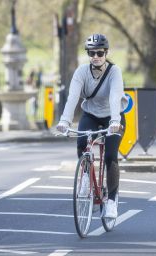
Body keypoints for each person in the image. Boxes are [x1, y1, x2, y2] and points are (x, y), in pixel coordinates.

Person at [56, 34, 128, 218]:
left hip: (114, 118)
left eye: (99, 52)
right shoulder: (81, 72)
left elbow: (114, 97)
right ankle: (86, 176)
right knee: (81, 142)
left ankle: (111, 202)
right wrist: (65, 120)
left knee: (111, 156)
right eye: (91, 52)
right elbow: (72, 97)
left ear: (106, 53)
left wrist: (114, 121)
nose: (95, 56)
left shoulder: (114, 71)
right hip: (91, 114)